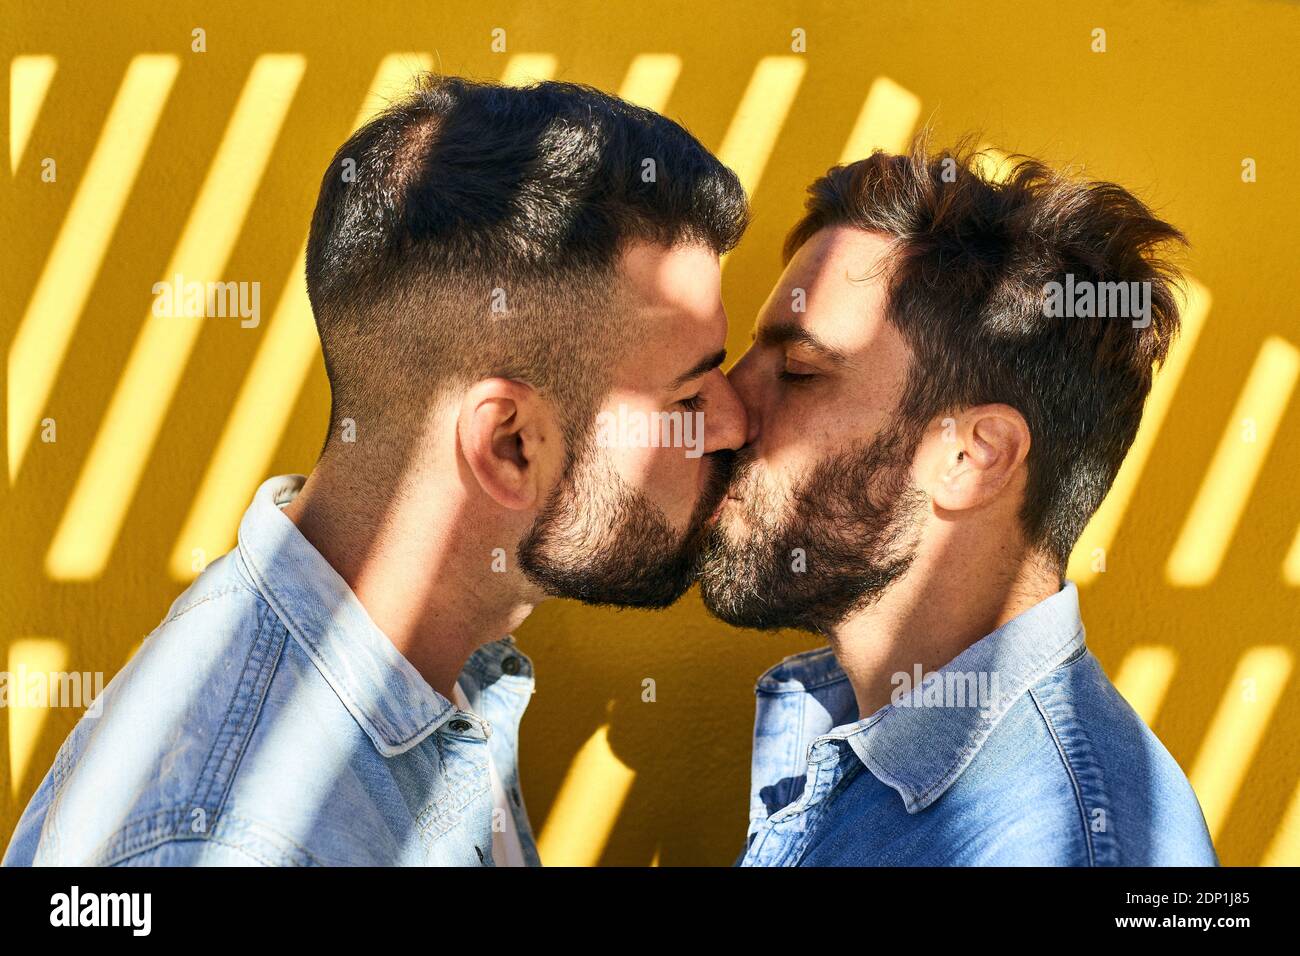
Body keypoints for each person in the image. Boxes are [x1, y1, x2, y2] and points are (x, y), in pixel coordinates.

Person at [3, 75, 748, 866]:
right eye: (689, 395)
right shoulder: (238, 839)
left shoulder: (438, 667)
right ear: (508, 446)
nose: (734, 422)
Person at [698, 139, 1219, 866]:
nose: (718, 413)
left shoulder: (1059, 846)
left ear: (973, 460)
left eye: (797, 370)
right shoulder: (846, 724)